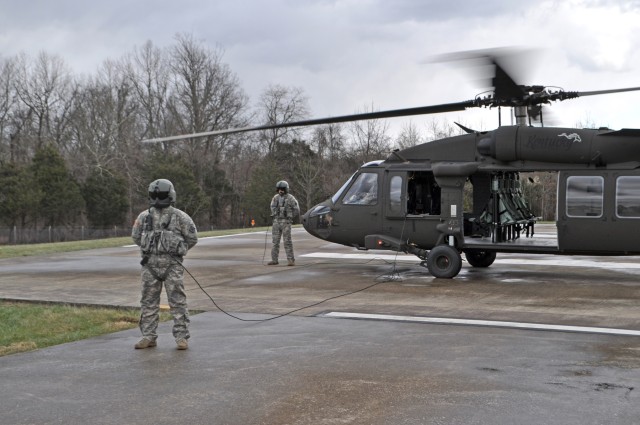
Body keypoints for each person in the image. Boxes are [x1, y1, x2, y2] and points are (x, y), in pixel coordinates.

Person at [131, 179, 198, 350]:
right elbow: (136, 236)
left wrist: (177, 250)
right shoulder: (144, 217)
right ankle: (148, 336)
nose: (158, 198)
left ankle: (181, 338)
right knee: (148, 302)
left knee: (177, 302)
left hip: (172, 267)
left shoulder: (180, 217)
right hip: (150, 267)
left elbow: (192, 238)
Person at [268, 180, 300, 266]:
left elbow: (296, 209)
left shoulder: (291, 198)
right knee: (275, 242)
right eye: (279, 189)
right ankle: (274, 260)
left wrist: (290, 217)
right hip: (276, 222)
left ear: (286, 189)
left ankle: (290, 260)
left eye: (282, 189)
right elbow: (272, 207)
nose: (280, 191)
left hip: (286, 222)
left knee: (287, 241)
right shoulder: (275, 198)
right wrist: (275, 214)